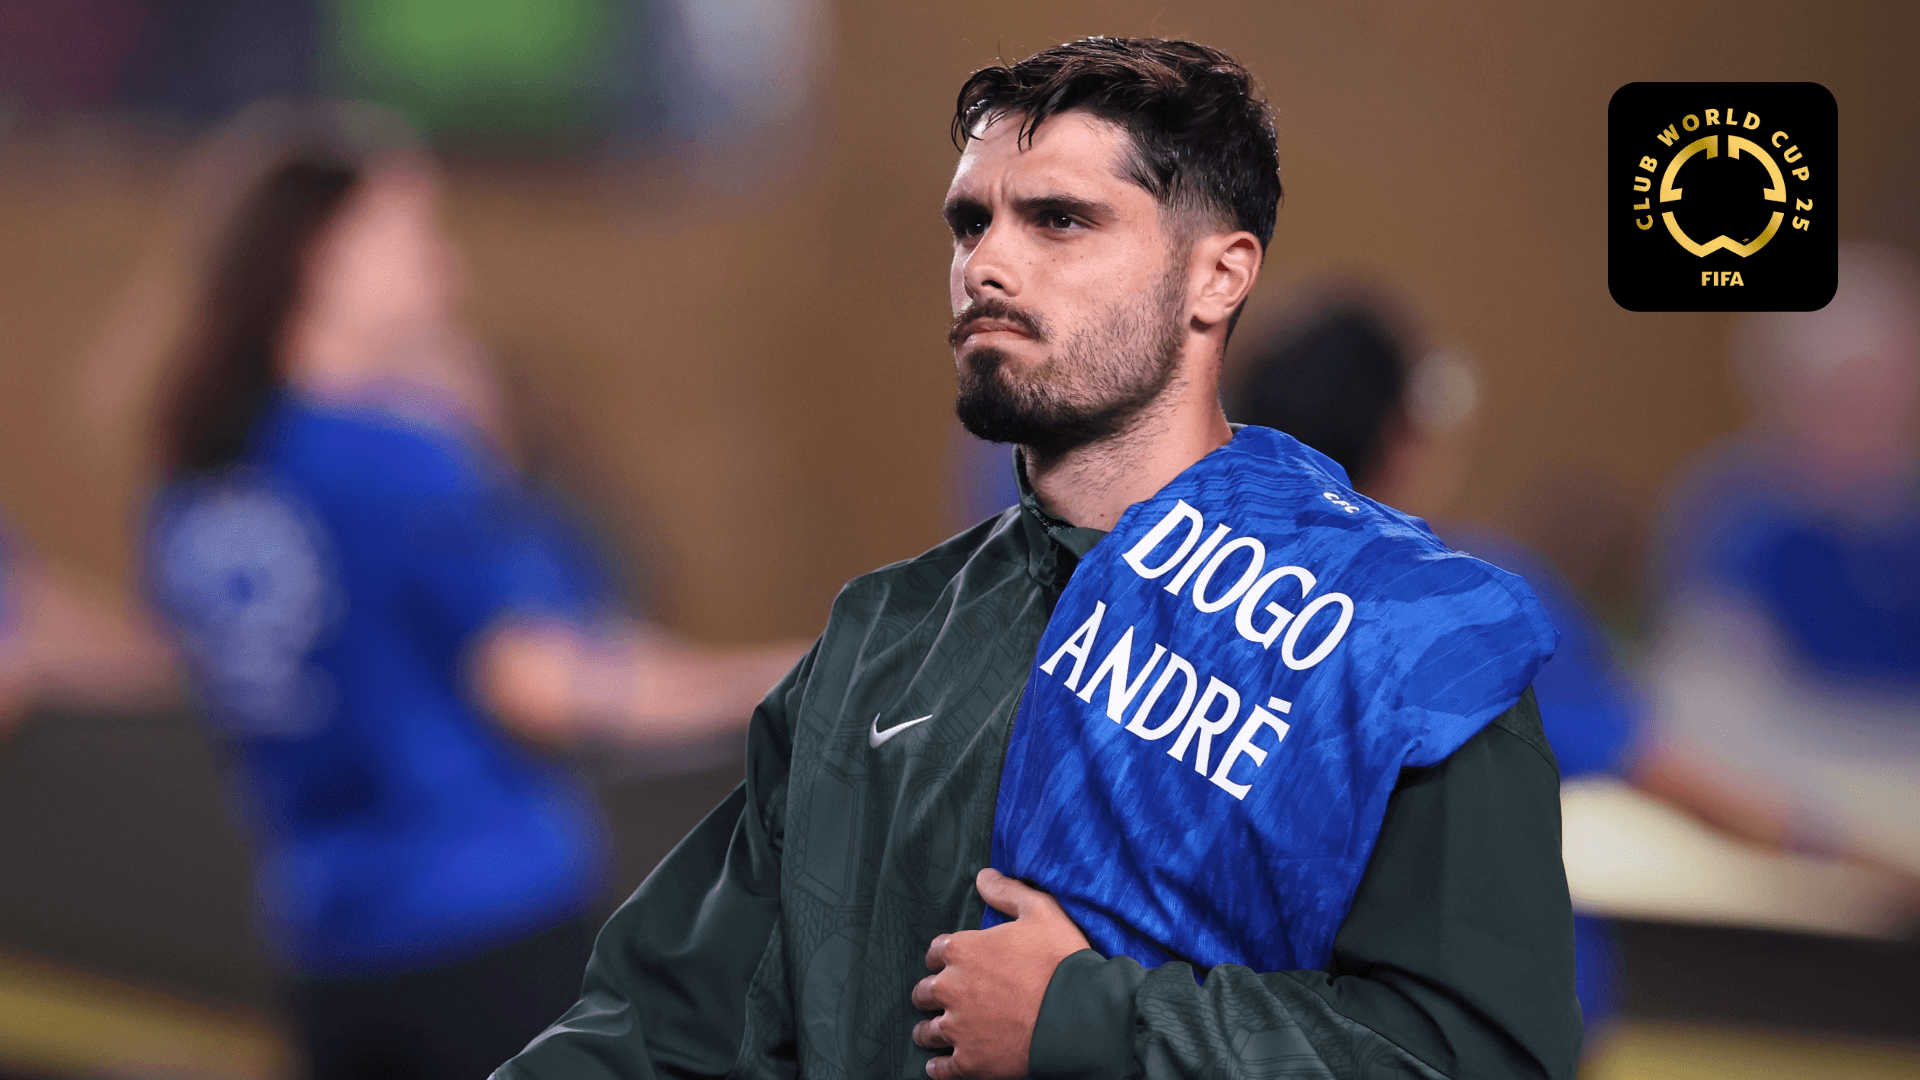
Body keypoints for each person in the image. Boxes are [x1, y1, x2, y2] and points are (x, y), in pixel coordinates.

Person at [499, 38, 1579, 1080]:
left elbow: (1472, 1056)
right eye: (971, 222)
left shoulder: (1392, 634)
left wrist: (1084, 1018)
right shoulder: (886, 635)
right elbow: (672, 1031)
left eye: (1059, 220)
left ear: (1218, 276)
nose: (987, 264)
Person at [139, 103, 803, 1080]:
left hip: (323, 953)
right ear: (326, 257)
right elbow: (539, 680)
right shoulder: (394, 459)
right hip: (485, 938)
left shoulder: (195, 486)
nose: (447, 267)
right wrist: (788, 681)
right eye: (414, 234)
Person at [1228, 293, 1643, 1039]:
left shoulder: (1189, 580)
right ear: (1406, 437)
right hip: (1465, 1023)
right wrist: (1830, 847)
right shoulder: (1484, 602)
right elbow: (1656, 762)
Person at [1644, 242, 1920, 880]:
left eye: (1886, 387)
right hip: (1800, 830)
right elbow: (1707, 712)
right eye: (1842, 393)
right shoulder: (1736, 522)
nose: (1869, 414)